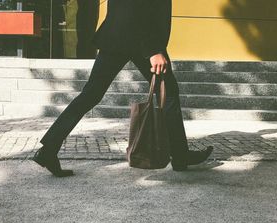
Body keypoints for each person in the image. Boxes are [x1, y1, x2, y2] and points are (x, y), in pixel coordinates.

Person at [33, 0, 213, 177]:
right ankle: (180, 155)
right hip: (138, 39)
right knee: (169, 91)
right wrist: (153, 49)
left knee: (91, 94)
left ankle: (49, 149)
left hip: (117, 36)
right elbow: (137, 6)